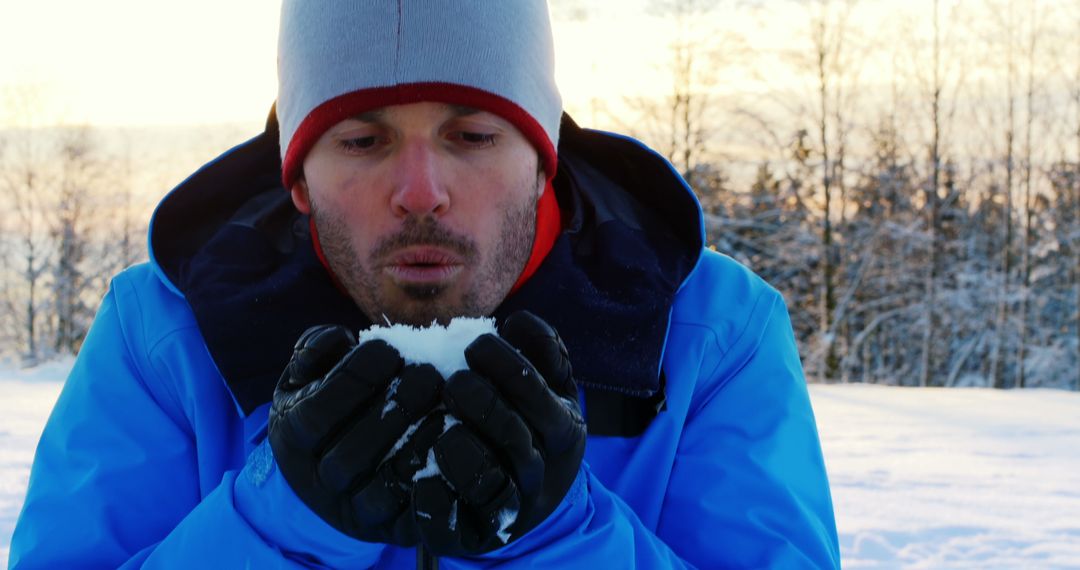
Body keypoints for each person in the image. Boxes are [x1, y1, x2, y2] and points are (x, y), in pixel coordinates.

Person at [10, 1, 840, 568]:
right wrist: (275, 526)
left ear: (543, 161)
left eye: (472, 134)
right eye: (364, 141)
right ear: (297, 178)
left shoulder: (708, 337)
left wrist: (564, 539)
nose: (419, 191)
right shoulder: (166, 337)